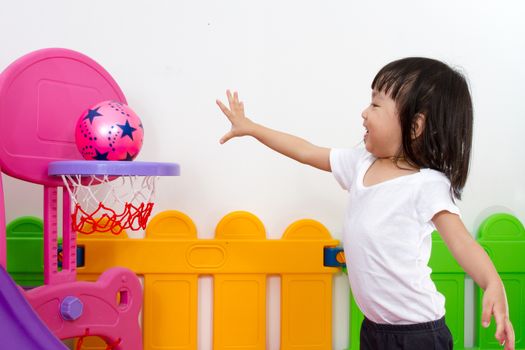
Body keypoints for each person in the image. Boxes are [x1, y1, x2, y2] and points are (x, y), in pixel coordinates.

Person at [216, 57, 515, 350]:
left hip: (418, 335)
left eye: (375, 104)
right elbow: (306, 151)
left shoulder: (426, 185)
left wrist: (492, 282)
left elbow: (462, 243)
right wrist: (253, 128)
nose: (363, 112)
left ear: (415, 127)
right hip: (374, 328)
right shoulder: (360, 164)